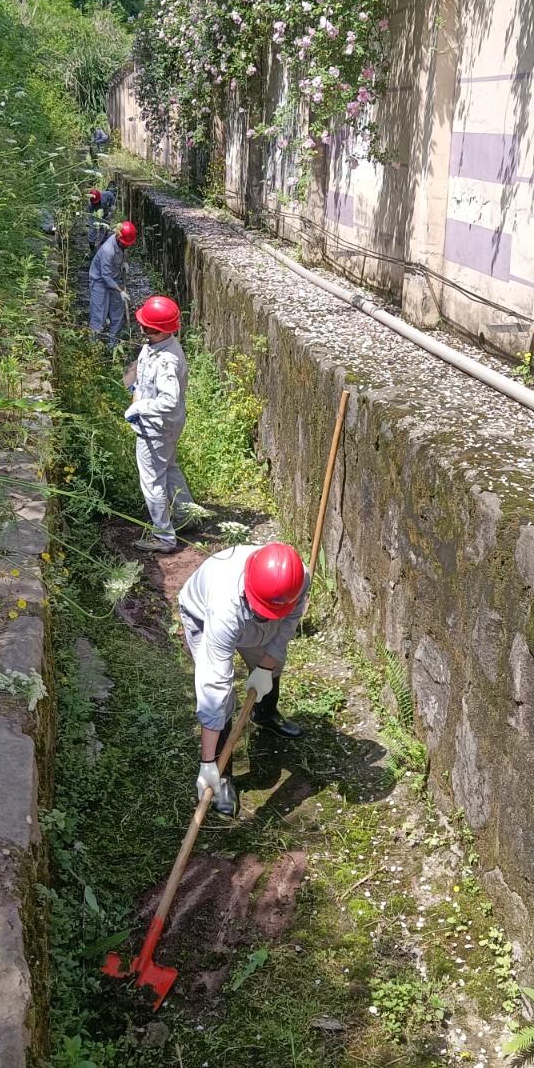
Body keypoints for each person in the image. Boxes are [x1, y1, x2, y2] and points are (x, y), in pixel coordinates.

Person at [177, 543, 310, 814]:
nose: (263, 618)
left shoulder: (298, 580)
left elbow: (288, 623)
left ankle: (265, 715)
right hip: (203, 615)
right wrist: (207, 764)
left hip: (258, 611)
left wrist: (266, 667)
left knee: (273, 666)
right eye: (261, 612)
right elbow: (214, 687)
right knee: (223, 699)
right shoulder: (224, 608)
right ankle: (221, 774)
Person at [124, 294, 196, 553]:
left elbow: (169, 400)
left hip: (156, 428)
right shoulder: (157, 344)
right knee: (169, 468)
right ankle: (186, 516)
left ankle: (164, 537)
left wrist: (139, 407)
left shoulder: (167, 361)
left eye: (146, 327)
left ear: (160, 330)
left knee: (152, 481)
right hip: (166, 426)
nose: (141, 329)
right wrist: (135, 387)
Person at [87, 220, 135, 349]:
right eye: (124, 244)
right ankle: (93, 347)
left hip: (113, 279)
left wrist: (124, 262)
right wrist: (121, 291)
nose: (125, 246)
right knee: (98, 316)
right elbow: (105, 277)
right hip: (99, 282)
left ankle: (112, 346)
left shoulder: (121, 243)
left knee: (117, 312)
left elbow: (123, 251)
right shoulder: (108, 250)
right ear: (118, 237)